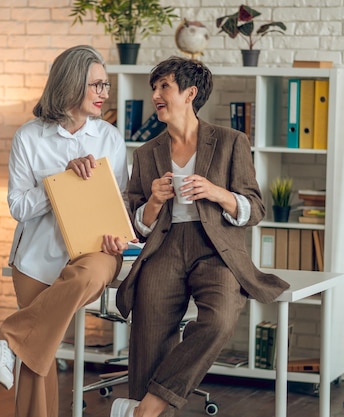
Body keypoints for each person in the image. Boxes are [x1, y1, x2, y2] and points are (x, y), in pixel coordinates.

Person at [111, 57, 290, 417]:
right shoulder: (146, 154)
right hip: (164, 247)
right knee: (149, 336)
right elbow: (133, 225)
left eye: (164, 86)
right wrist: (155, 202)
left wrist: (216, 192)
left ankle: (145, 408)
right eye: (154, 88)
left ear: (190, 93)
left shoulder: (230, 142)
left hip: (215, 249)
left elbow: (254, 209)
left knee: (221, 319)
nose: (156, 95)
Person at [0, 45, 130, 417]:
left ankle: (8, 339)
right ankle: (19, 347)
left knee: (85, 276)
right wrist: (59, 183)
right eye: (96, 85)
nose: (104, 94)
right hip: (37, 259)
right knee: (37, 355)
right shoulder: (29, 138)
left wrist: (118, 236)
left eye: (106, 85)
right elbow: (18, 207)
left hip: (96, 251)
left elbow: (121, 201)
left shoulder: (109, 137)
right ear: (70, 85)